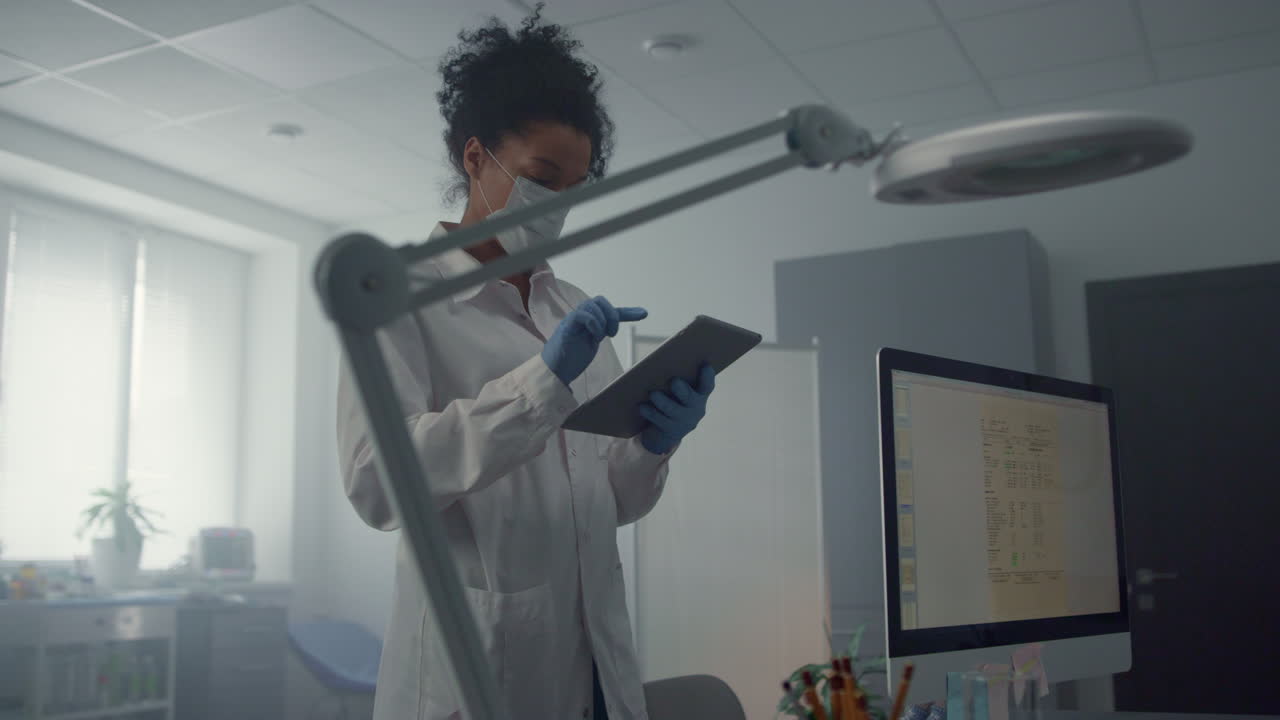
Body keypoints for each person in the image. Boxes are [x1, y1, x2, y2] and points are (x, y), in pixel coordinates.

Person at [336, 8, 716, 720]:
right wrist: (541, 383)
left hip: (596, 672)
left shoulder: (569, 307)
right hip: (471, 682)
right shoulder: (396, 297)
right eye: (542, 177)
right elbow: (376, 486)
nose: (556, 205)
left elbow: (613, 505)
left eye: (573, 189)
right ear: (475, 158)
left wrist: (653, 447)